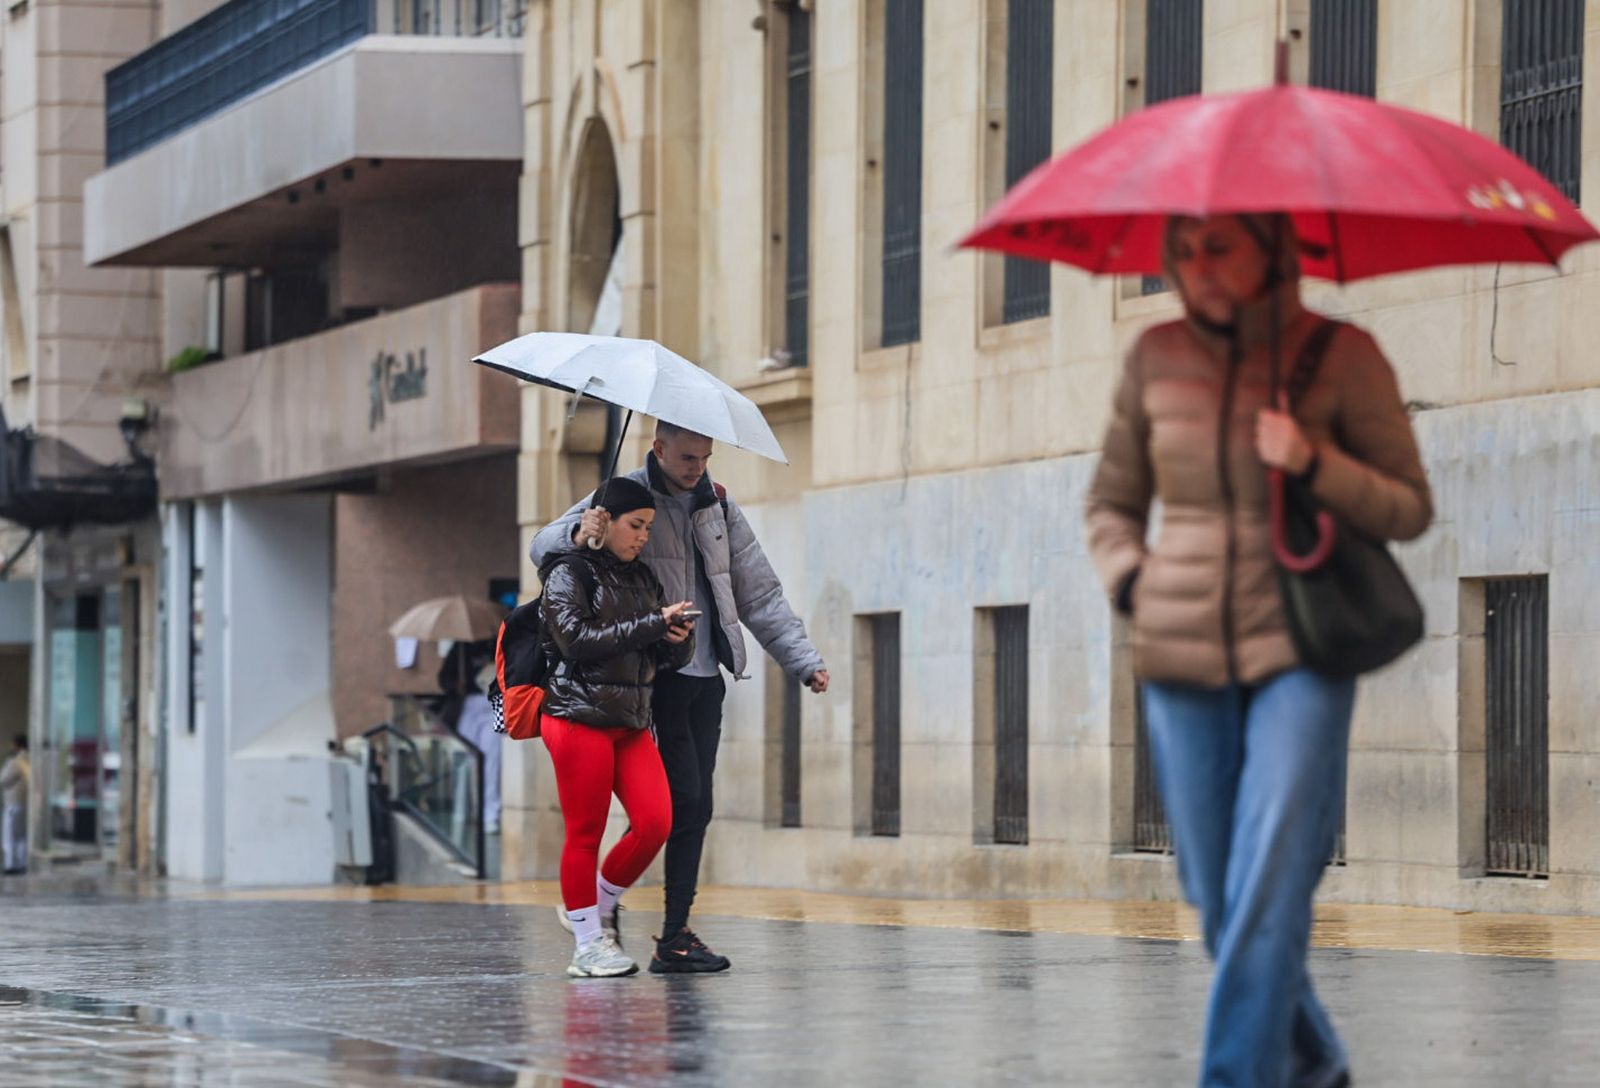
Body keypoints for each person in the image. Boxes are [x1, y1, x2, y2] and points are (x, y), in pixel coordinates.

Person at [1086, 214, 1432, 1088]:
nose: (1195, 265)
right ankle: (1313, 1060)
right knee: (1218, 900)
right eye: (1183, 248)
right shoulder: (1154, 357)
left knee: (1273, 878)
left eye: (1220, 245)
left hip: (1302, 649)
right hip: (1180, 651)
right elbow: (1111, 503)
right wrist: (1132, 581)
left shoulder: (1344, 355)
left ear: (1273, 250)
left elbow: (1407, 507)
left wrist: (1312, 458)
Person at [532, 421, 828, 974]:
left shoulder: (716, 502)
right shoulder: (621, 497)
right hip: (648, 679)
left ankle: (671, 934)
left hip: (699, 671)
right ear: (658, 449)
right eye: (688, 456)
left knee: (692, 809)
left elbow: (757, 590)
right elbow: (542, 547)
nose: (698, 467)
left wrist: (802, 659)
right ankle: (603, 917)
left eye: (706, 456)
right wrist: (581, 531)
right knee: (676, 803)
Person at [541, 476, 695, 978]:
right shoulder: (568, 572)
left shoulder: (644, 578)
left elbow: (657, 654)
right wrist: (652, 625)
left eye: (648, 527)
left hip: (630, 719)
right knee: (585, 831)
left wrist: (676, 639)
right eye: (635, 525)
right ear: (604, 522)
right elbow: (576, 640)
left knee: (656, 823)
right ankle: (587, 946)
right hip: (577, 715)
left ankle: (597, 906)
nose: (643, 537)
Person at [1, 734, 29, 875]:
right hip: (24, 804)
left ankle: (10, 866)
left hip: (13, 803)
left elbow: (3, 779)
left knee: (9, 836)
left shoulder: (15, 762)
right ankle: (22, 864)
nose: (11, 747)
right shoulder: (30, 760)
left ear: (18, 745)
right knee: (21, 836)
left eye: (13, 744)